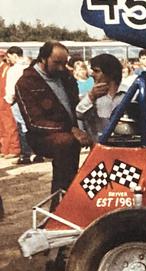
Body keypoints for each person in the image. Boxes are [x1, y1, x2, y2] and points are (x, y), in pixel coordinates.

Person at [15, 41, 92, 206]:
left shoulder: (66, 77)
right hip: (43, 137)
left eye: (64, 63)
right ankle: (60, 206)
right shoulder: (26, 83)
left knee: (76, 163)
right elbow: (34, 123)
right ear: (43, 58)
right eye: (56, 63)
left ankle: (72, 201)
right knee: (66, 144)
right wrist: (71, 130)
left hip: (70, 135)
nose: (61, 68)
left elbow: (75, 106)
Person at [76, 54, 129, 143]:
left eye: (96, 71)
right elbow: (78, 115)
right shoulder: (90, 96)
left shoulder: (129, 94)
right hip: (99, 148)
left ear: (110, 73)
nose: (92, 75)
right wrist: (91, 97)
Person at [5, 46, 40, 164]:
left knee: (22, 127)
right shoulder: (30, 67)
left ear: (14, 55)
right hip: (33, 101)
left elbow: (11, 89)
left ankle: (25, 155)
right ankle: (37, 154)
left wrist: (9, 101)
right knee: (33, 126)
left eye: (9, 57)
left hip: (18, 101)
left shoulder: (13, 70)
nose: (9, 60)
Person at [0, 50, 21, 160]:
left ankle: (14, 148)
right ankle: (5, 148)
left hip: (5, 99)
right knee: (2, 126)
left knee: (9, 125)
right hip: (1, 99)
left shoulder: (6, 69)